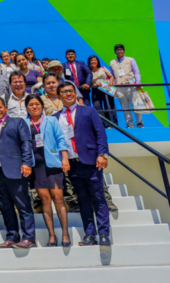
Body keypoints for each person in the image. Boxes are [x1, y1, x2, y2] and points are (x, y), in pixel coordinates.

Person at [54, 82, 112, 246]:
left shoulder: (88, 110)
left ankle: (103, 234)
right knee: (83, 199)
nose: (68, 94)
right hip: (72, 165)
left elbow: (100, 133)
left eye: (71, 91)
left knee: (98, 198)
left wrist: (102, 154)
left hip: (91, 161)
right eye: (64, 92)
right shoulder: (56, 117)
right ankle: (90, 234)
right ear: (59, 96)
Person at [0, 97, 36, 249]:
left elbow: (26, 143)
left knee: (22, 204)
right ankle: (12, 237)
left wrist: (26, 163)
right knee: (5, 206)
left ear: (6, 107)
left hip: (15, 169)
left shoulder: (17, 122)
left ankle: (29, 237)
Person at [24, 95, 71, 247]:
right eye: (31, 105)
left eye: (37, 104)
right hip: (36, 167)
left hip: (53, 164)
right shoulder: (24, 123)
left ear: (42, 105)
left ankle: (65, 234)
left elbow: (61, 139)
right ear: (26, 107)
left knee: (58, 198)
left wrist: (64, 158)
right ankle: (52, 235)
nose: (34, 107)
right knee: (44, 200)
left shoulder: (51, 120)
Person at [109, 44, 144, 128]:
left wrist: (138, 83)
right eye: (117, 50)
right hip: (119, 87)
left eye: (121, 49)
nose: (119, 51)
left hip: (130, 86)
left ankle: (139, 122)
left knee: (135, 105)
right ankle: (129, 124)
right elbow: (112, 75)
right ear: (115, 52)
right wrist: (112, 85)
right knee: (125, 107)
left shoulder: (130, 59)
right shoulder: (112, 62)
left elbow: (136, 72)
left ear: (124, 51)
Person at [88, 55, 117, 125]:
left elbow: (111, 76)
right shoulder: (88, 71)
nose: (93, 61)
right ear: (89, 62)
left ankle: (112, 124)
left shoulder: (103, 68)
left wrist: (110, 82)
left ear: (98, 61)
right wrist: (94, 85)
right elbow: (87, 81)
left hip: (106, 88)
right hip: (95, 90)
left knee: (109, 106)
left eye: (95, 60)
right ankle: (103, 123)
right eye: (92, 60)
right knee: (97, 106)